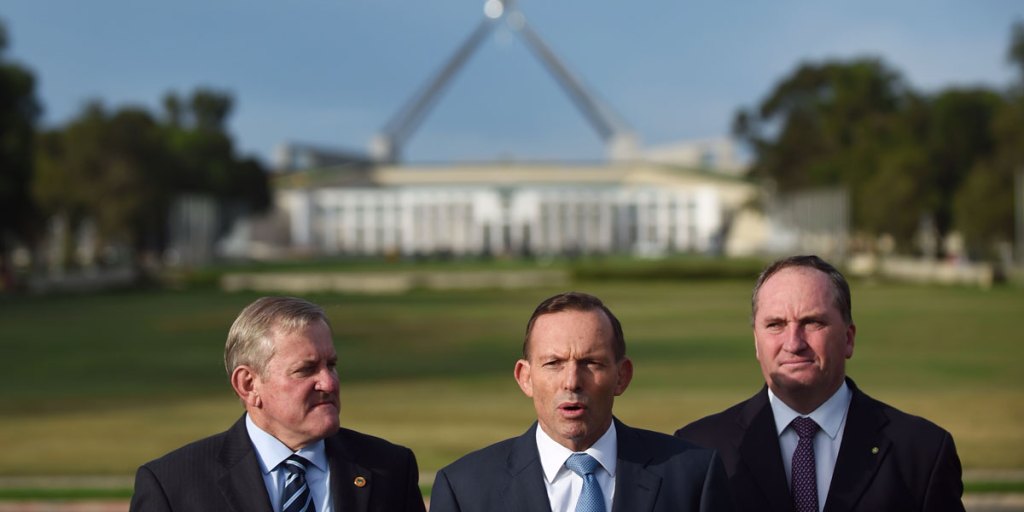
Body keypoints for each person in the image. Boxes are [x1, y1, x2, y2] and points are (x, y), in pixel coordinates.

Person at [675, 255, 965, 512]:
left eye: (813, 323)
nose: (793, 343)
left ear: (848, 339)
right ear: (756, 342)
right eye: (775, 325)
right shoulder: (697, 449)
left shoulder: (921, 451)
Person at [430, 291, 733, 512]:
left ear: (621, 376)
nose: (572, 381)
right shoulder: (465, 490)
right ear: (525, 377)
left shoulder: (692, 476)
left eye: (591, 362)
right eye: (553, 363)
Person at [130, 296, 426, 512]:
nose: (329, 383)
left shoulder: (391, 468)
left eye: (331, 365)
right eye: (306, 370)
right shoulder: (172, 486)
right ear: (248, 384)